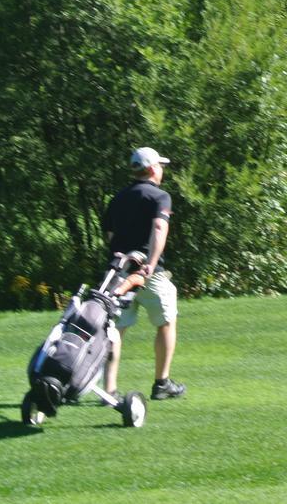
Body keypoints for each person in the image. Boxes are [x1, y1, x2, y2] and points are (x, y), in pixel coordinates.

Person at [102, 146, 186, 401]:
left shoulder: (117, 198)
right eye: (160, 165)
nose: (162, 170)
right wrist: (150, 263)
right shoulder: (160, 197)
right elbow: (160, 227)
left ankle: (109, 390)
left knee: (114, 330)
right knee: (166, 322)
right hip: (149, 273)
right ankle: (162, 383)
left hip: (117, 274)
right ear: (151, 169)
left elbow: (109, 235)